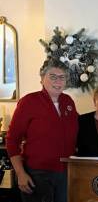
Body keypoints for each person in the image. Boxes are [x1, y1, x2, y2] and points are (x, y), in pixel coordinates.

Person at [6, 58, 78, 202]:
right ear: (42, 78)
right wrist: (20, 173)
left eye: (62, 77)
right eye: (52, 76)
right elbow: (12, 140)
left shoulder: (68, 101)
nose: (58, 81)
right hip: (37, 175)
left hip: (65, 174)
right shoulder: (29, 102)